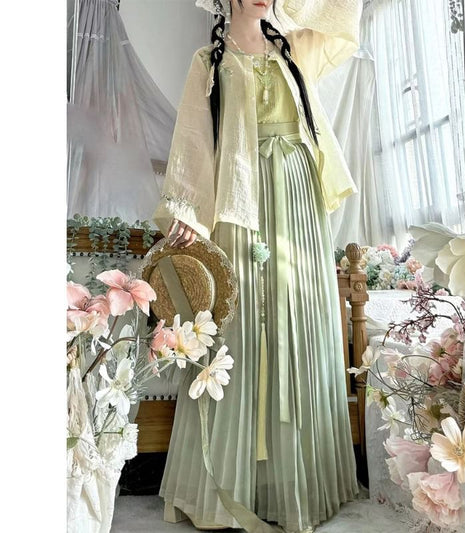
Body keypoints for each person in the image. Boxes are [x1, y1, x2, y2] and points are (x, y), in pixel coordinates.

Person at [153, 1, 363, 532]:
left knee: (300, 320)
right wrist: (187, 213)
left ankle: (297, 484)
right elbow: (194, 138)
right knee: (240, 330)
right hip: (240, 198)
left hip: (297, 194)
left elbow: (344, 15)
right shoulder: (210, 60)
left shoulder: (295, 46)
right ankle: (233, 483)